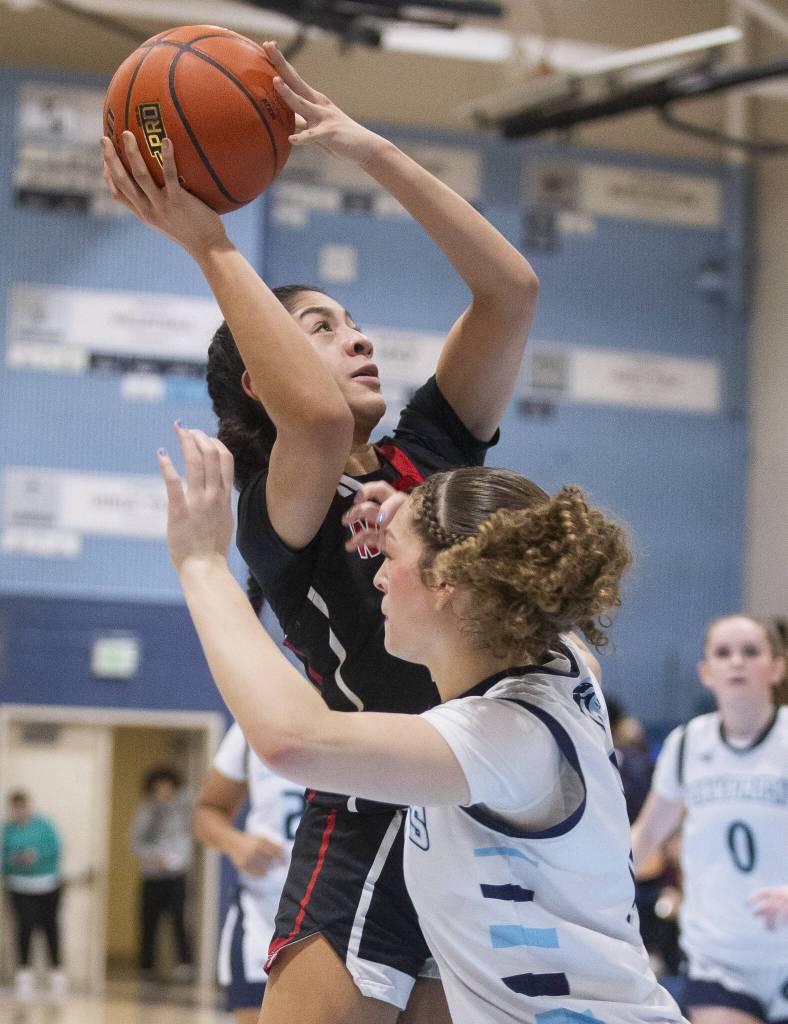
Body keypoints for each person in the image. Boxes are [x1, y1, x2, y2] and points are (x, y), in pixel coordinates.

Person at [101, 39, 538, 1024]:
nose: (360, 336)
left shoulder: (430, 452)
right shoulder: (273, 505)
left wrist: (368, 149)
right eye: (322, 328)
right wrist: (210, 242)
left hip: (484, 814)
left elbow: (509, 291)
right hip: (370, 811)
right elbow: (318, 421)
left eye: (354, 320)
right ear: (262, 376)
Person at [155, 426, 690, 1024]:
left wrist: (202, 564)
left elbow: (292, 739)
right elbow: (508, 576)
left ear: (448, 585)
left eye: (390, 557)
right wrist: (412, 516)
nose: (377, 577)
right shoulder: (562, 664)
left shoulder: (505, 733)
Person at [632, 615, 788, 1024]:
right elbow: (644, 839)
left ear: (777, 666)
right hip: (719, 957)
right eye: (723, 653)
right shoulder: (687, 744)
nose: (737, 662)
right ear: (705, 671)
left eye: (751, 652)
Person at [194, 721, 304, 1024]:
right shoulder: (254, 724)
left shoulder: (373, 713)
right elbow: (207, 810)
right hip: (265, 915)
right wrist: (236, 843)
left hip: (348, 912)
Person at [129, 766, 194, 980]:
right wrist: (155, 857)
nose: (164, 789)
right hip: (153, 874)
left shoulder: (183, 806)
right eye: (159, 786)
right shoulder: (146, 810)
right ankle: (146, 966)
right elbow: (136, 842)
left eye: (167, 785)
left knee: (179, 920)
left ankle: (184, 964)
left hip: (176, 874)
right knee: (149, 922)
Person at [2, 790, 66, 999]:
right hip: (20, 886)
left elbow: (55, 849)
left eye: (23, 806)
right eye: (16, 807)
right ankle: (24, 973)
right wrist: (16, 860)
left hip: (47, 884)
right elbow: (4, 857)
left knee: (50, 927)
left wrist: (35, 856)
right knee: (24, 927)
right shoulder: (8, 830)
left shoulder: (44, 825)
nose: (20, 811)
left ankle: (56, 972)